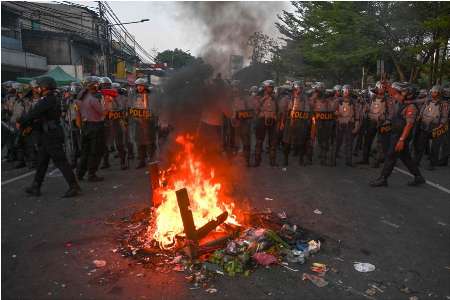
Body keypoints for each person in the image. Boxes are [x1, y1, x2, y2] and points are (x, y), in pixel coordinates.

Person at [17, 76, 81, 197]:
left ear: (45, 87)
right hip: (47, 135)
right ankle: (36, 186)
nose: (38, 89)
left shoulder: (48, 100)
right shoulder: (51, 98)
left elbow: (33, 113)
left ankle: (74, 186)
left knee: (60, 161)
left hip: (51, 135)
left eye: (40, 87)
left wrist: (21, 120)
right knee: (42, 161)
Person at [370, 82, 425, 187]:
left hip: (401, 136)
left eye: (398, 93)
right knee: (406, 158)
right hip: (396, 134)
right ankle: (419, 177)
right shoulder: (401, 102)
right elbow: (393, 93)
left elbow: (409, 125)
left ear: (406, 94)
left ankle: (383, 179)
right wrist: (387, 86)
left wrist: (401, 140)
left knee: (391, 156)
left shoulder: (411, 107)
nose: (394, 95)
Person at [76, 76, 105, 182]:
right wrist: (107, 103)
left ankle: (80, 173)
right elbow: (102, 112)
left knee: (85, 152)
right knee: (95, 151)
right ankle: (91, 174)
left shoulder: (79, 98)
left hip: (86, 126)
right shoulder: (93, 100)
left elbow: (77, 114)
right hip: (96, 127)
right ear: (94, 85)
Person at [414, 85, 449, 170]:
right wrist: (419, 117)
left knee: (435, 146)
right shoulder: (427, 101)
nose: (433, 93)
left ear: (439, 93)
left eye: (435, 92)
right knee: (421, 144)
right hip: (425, 124)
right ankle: (416, 161)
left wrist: (441, 124)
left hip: (436, 126)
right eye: (432, 92)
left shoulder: (443, 104)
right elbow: (422, 110)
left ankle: (432, 164)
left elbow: (444, 116)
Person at [280, 81, 312, 166]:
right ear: (293, 88)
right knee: (287, 142)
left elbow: (307, 111)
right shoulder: (288, 98)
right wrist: (282, 123)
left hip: (301, 122)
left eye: (300, 88)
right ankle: (285, 159)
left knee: (301, 142)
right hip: (289, 122)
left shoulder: (305, 98)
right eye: (297, 88)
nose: (299, 90)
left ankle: (301, 160)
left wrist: (307, 122)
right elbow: (283, 111)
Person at [130, 78, 157, 169]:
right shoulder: (134, 96)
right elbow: (132, 108)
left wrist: (150, 117)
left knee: (150, 143)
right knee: (139, 143)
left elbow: (155, 110)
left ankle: (152, 161)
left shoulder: (151, 96)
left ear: (145, 86)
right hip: (138, 123)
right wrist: (136, 117)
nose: (139, 87)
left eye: (141, 85)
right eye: (138, 86)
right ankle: (141, 161)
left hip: (149, 123)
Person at [312, 83, 337, 166]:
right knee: (319, 139)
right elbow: (310, 106)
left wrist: (328, 99)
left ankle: (324, 156)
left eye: (321, 89)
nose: (320, 92)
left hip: (327, 121)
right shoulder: (315, 99)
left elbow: (333, 109)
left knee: (326, 139)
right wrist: (314, 97)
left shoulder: (329, 98)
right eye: (319, 90)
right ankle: (322, 153)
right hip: (318, 121)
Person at [335, 85, 360, 166]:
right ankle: (333, 158)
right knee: (337, 142)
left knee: (349, 143)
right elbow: (332, 109)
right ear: (343, 91)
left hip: (349, 124)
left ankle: (348, 161)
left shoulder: (354, 101)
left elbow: (357, 115)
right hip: (340, 124)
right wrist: (336, 113)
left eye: (348, 91)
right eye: (345, 91)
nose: (346, 92)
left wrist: (356, 126)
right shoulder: (338, 100)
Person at [254, 80, 278, 166]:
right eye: (269, 87)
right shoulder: (259, 96)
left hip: (273, 120)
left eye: (272, 87)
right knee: (259, 141)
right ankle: (257, 160)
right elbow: (256, 108)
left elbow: (278, 108)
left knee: (273, 141)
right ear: (265, 87)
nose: (271, 88)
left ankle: (272, 161)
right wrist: (264, 98)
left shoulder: (275, 97)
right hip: (262, 120)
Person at [229, 80, 253, 166]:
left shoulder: (246, 98)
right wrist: (232, 117)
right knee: (233, 142)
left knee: (246, 141)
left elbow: (250, 112)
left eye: (236, 87)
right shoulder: (230, 99)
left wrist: (240, 115)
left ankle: (247, 160)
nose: (235, 89)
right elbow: (229, 110)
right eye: (233, 87)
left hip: (244, 123)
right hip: (233, 123)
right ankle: (232, 160)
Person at [110, 82, 128, 170]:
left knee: (121, 142)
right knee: (113, 143)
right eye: (112, 88)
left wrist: (116, 104)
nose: (113, 90)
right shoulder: (106, 98)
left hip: (120, 121)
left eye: (115, 88)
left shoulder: (123, 98)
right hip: (110, 122)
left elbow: (124, 109)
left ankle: (123, 161)